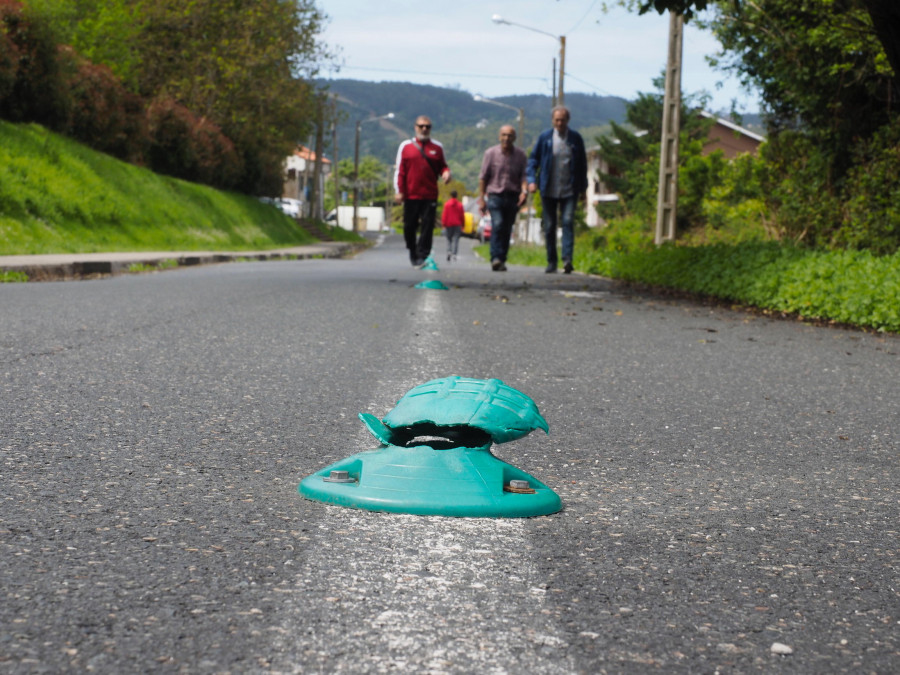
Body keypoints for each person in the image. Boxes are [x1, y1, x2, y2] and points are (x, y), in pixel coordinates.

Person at [526, 106, 588, 274]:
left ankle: (567, 259)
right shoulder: (545, 138)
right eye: (557, 120)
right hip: (548, 188)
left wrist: (583, 189)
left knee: (567, 221)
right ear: (552, 120)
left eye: (563, 120)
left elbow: (582, 165)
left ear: (568, 120)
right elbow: (533, 161)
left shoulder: (575, 139)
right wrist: (531, 181)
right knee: (550, 225)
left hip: (570, 188)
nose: (560, 123)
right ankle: (551, 261)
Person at [394, 115, 451, 266]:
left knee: (427, 225)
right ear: (415, 127)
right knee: (409, 225)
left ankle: (422, 254)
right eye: (421, 126)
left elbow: (443, 166)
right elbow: (400, 171)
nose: (424, 129)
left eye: (427, 127)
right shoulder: (406, 146)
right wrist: (399, 191)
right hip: (411, 194)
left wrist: (446, 173)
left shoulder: (437, 148)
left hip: (430, 194)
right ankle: (413, 250)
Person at [477, 124, 528, 272]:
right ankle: (495, 258)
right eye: (504, 135)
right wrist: (481, 198)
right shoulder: (490, 154)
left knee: (507, 228)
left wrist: (524, 191)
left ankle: (502, 258)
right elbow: (483, 177)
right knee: (497, 224)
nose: (506, 138)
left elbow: (524, 175)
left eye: (510, 135)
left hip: (512, 197)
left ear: (514, 138)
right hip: (495, 196)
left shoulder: (520, 155)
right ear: (499, 136)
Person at [441, 190, 465, 262]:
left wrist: (444, 224)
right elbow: (462, 215)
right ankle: (454, 254)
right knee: (456, 239)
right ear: (456, 195)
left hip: (449, 224)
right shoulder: (460, 205)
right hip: (457, 224)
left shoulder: (447, 204)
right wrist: (463, 224)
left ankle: (449, 251)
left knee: (449, 239)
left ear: (451, 195)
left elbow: (445, 214)